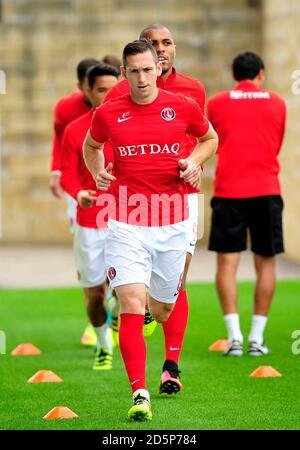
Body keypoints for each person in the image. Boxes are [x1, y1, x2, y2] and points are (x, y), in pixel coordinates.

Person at [83, 39, 218, 421]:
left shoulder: (183, 106)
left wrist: (193, 161)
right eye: (134, 71)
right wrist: (97, 171)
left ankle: (156, 320)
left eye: (148, 70)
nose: (142, 78)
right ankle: (139, 391)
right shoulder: (109, 113)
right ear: (123, 73)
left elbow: (210, 139)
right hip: (126, 221)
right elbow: (91, 146)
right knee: (130, 302)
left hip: (173, 222)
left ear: (158, 68)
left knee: (161, 309)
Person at [105, 23, 206, 395]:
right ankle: (136, 309)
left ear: (172, 50)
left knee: (179, 279)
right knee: (135, 290)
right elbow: (107, 138)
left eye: (165, 43)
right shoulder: (121, 93)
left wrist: (193, 164)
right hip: (133, 204)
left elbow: (203, 137)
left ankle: (171, 364)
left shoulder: (193, 90)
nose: (159, 50)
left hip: (182, 198)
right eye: (152, 44)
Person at [207, 51, 286, 356]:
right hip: (266, 190)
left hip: (229, 192)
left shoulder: (216, 102)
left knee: (227, 264)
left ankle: (235, 337)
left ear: (233, 75)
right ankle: (256, 338)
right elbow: (275, 143)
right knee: (265, 262)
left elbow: (211, 139)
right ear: (261, 74)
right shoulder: (278, 102)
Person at [60, 63, 119, 369]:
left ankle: (121, 315)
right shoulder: (74, 130)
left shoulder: (131, 124)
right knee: (95, 294)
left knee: (129, 287)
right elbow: (68, 174)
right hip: (90, 222)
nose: (109, 96)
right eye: (101, 90)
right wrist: (78, 193)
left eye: (114, 89)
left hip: (127, 219)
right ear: (88, 91)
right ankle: (104, 344)